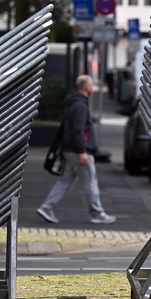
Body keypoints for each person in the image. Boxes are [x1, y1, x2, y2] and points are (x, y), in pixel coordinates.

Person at [37, 75, 116, 224]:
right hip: (78, 151)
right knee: (91, 182)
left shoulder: (73, 103)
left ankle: (47, 207)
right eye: (91, 86)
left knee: (65, 181)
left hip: (70, 150)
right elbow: (78, 130)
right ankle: (98, 213)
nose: (92, 88)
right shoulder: (80, 106)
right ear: (87, 88)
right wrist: (83, 151)